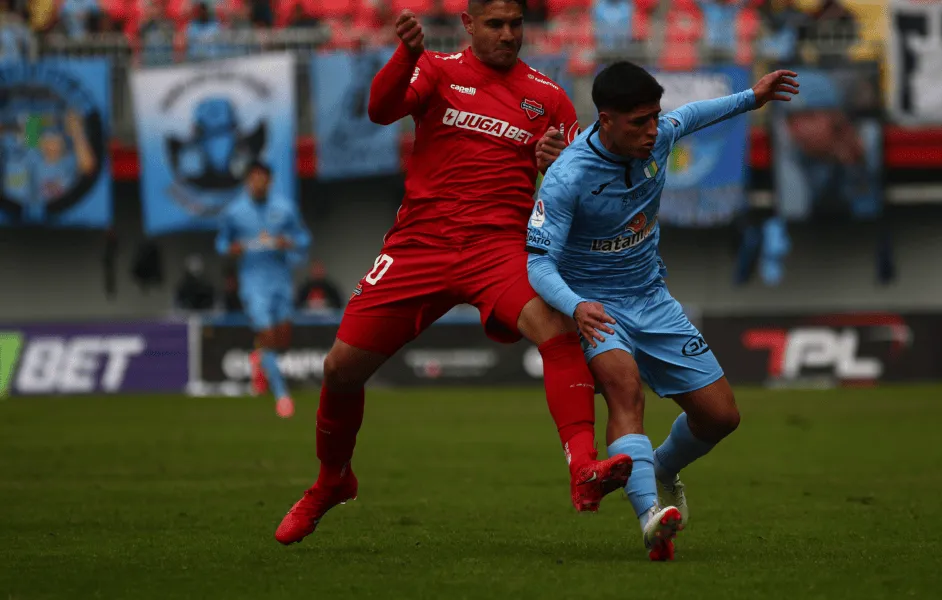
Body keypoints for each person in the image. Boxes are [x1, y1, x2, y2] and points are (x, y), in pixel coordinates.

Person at [273, 0, 633, 546]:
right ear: (469, 25)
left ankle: (583, 468)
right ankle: (332, 481)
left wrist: (556, 168)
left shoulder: (551, 98)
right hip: (421, 245)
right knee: (340, 370)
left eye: (516, 25)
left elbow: (576, 197)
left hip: (498, 249)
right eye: (495, 24)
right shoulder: (436, 70)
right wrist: (405, 54)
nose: (508, 35)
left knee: (556, 329)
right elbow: (378, 109)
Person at [526, 61, 798, 560]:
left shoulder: (662, 135)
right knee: (625, 391)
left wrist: (751, 98)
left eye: (655, 117)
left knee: (721, 417)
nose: (653, 130)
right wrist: (575, 304)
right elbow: (539, 263)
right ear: (605, 120)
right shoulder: (567, 177)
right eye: (639, 122)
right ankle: (651, 516)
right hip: (596, 306)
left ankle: (665, 468)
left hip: (652, 298)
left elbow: (693, 113)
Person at [215, 160, 311, 420]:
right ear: (247, 181)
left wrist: (287, 242)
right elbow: (221, 243)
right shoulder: (235, 212)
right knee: (267, 334)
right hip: (253, 282)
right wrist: (231, 249)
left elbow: (304, 239)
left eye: (262, 178)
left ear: (269, 181)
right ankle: (282, 396)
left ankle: (261, 358)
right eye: (253, 178)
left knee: (282, 338)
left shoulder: (285, 208)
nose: (257, 183)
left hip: (280, 279)